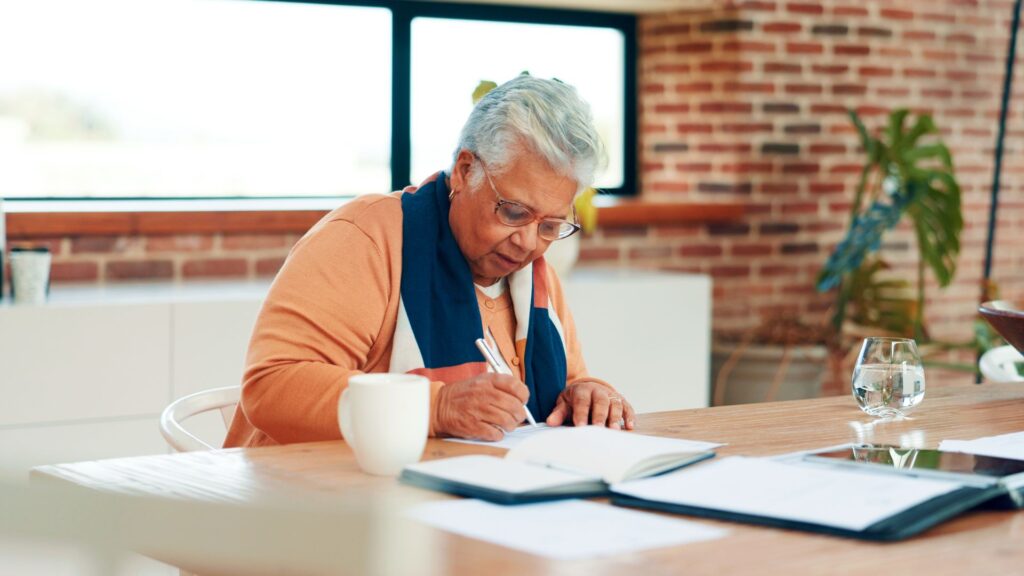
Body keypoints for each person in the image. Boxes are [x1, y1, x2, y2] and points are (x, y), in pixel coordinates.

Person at [224, 76, 635, 448]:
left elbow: (567, 384)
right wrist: (435, 408)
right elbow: (272, 386)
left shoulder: (532, 273)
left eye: (550, 225)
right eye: (513, 212)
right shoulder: (365, 239)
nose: (529, 242)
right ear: (465, 171)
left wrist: (587, 394)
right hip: (310, 493)